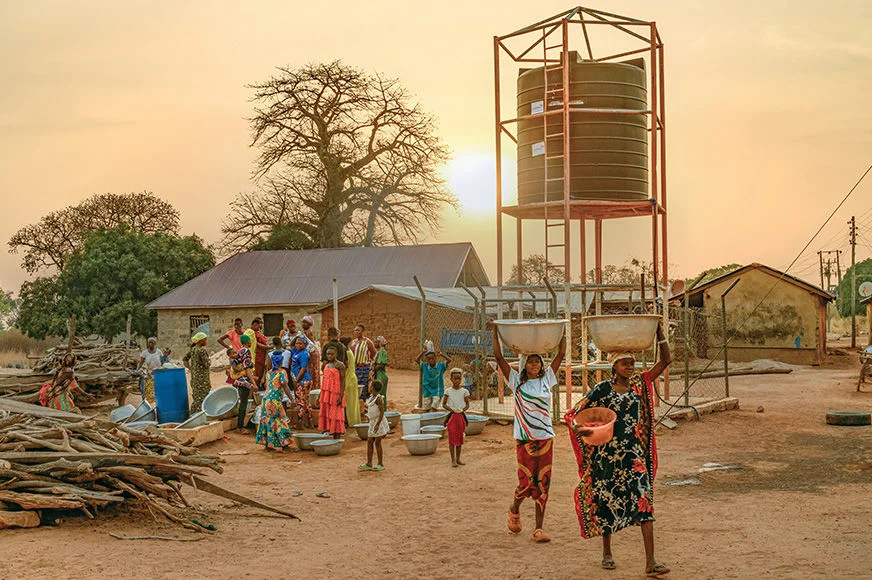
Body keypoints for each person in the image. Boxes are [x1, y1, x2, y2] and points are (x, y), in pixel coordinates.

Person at [565, 324, 671, 577]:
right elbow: (573, 415)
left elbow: (666, 360)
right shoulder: (602, 390)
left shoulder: (639, 385)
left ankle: (651, 562)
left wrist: (658, 332)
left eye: (631, 363)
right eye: (624, 363)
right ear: (613, 366)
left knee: (644, 503)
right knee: (605, 502)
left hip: (634, 456)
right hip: (607, 457)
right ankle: (607, 553)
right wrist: (587, 432)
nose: (629, 367)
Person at [491, 321, 565, 544]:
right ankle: (514, 508)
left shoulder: (547, 380)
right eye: (530, 361)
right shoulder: (516, 382)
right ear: (524, 365)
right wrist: (494, 331)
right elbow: (499, 358)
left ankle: (538, 529)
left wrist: (562, 331)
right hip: (524, 439)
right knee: (525, 482)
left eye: (537, 361)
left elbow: (561, 354)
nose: (534, 364)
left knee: (543, 483)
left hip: (545, 438)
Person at [255, 351, 294, 451]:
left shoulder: (268, 373)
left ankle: (268, 444)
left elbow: (266, 386)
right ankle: (284, 445)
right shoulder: (282, 372)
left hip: (265, 399)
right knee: (279, 420)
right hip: (275, 400)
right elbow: (285, 386)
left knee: (267, 420)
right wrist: (292, 399)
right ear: (282, 361)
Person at [228, 334, 257, 434]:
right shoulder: (246, 351)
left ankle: (240, 426)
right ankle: (240, 427)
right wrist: (254, 383)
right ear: (247, 342)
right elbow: (247, 368)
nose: (251, 342)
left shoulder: (240, 350)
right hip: (244, 381)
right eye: (250, 341)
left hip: (239, 380)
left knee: (243, 403)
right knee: (243, 404)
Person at [442, 368, 470, 468]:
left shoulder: (464, 391)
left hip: (460, 417)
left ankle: (458, 459)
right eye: (455, 379)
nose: (457, 381)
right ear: (451, 379)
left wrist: (462, 410)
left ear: (461, 379)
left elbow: (467, 404)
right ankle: (453, 460)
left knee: (459, 438)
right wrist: (452, 410)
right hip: (452, 416)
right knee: (451, 439)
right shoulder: (448, 391)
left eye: (459, 379)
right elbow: (444, 404)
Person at [359, 380, 388, 471]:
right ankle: (369, 463)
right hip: (372, 423)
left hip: (377, 423)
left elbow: (382, 412)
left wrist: (378, 424)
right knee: (370, 441)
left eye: (370, 386)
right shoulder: (371, 398)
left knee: (377, 442)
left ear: (373, 388)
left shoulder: (378, 399)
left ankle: (380, 463)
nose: (369, 387)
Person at [319, 345, 347, 439]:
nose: (329, 356)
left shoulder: (340, 365)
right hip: (327, 394)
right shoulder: (326, 365)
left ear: (336, 354)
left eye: (331, 354)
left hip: (336, 393)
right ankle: (332, 434)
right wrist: (320, 395)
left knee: (336, 414)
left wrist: (341, 396)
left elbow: (343, 381)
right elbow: (324, 381)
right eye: (328, 354)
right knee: (329, 414)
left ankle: (337, 437)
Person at [183, 332, 212, 415]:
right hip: (202, 381)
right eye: (205, 339)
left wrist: (191, 369)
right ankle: (199, 417)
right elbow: (207, 364)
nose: (206, 341)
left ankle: (192, 415)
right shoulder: (201, 351)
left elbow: (185, 359)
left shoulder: (193, 350)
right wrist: (209, 361)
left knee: (197, 398)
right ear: (200, 340)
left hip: (195, 379)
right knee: (203, 399)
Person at [350, 324, 377, 403]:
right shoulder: (353, 342)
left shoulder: (367, 341)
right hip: (355, 367)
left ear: (362, 331)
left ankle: (363, 403)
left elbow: (374, 353)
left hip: (364, 367)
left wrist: (369, 362)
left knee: (364, 386)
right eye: (355, 330)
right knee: (355, 385)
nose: (356, 332)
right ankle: (357, 403)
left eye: (358, 330)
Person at [291, 335, 313, 428]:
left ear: (305, 345)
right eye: (297, 343)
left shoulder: (304, 354)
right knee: (306, 401)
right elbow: (291, 345)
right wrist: (297, 336)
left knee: (300, 401)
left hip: (303, 380)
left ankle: (300, 423)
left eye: (300, 343)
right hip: (304, 380)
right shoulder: (297, 351)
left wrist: (296, 380)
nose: (298, 345)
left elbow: (303, 368)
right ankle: (310, 422)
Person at [339, 336, 361, 426]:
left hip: (348, 380)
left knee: (348, 403)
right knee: (353, 402)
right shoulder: (350, 352)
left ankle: (349, 421)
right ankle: (353, 420)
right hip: (352, 378)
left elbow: (346, 367)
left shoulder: (347, 354)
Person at [244, 318, 270, 386]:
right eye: (260, 324)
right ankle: (254, 389)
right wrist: (268, 347)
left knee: (261, 372)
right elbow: (256, 343)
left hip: (262, 356)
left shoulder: (259, 333)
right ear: (255, 324)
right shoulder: (251, 333)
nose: (261, 326)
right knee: (256, 373)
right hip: (257, 355)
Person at [136, 337, 163, 401]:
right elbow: (141, 363)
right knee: (147, 388)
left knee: (159, 388)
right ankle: (146, 400)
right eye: (149, 342)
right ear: (147, 344)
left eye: (152, 342)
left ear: (155, 343)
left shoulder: (159, 352)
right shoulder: (144, 353)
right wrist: (137, 370)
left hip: (158, 372)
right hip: (150, 372)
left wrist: (160, 368)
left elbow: (163, 362)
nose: (150, 344)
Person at [301, 315, 321, 395]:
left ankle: (313, 391)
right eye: (303, 322)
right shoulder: (305, 332)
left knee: (312, 372)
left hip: (312, 354)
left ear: (309, 324)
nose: (303, 324)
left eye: (305, 323)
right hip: (311, 353)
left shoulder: (308, 332)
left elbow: (308, 344)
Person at [372, 335, 389, 406]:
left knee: (380, 395)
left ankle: (382, 412)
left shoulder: (382, 352)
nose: (375, 343)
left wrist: (372, 369)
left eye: (377, 342)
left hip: (381, 376)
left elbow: (381, 365)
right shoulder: (378, 352)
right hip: (378, 375)